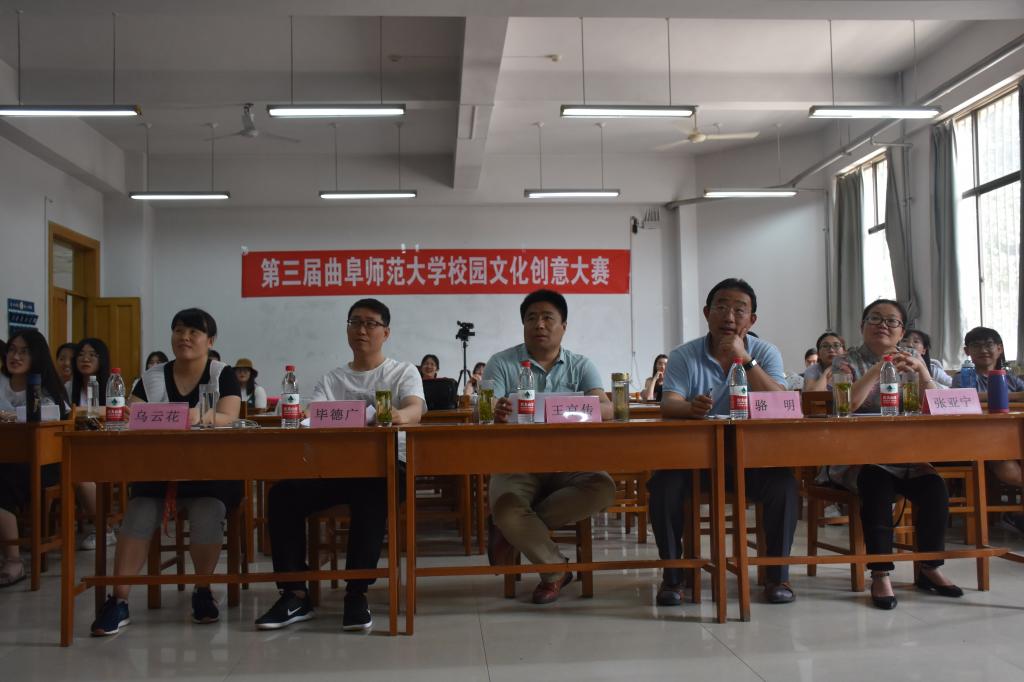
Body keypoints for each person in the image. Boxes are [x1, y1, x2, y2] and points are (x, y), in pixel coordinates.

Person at [255, 299, 424, 632]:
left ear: (386, 332)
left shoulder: (402, 372)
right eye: (355, 322)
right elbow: (314, 417)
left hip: (389, 464)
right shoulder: (332, 379)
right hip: (337, 467)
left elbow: (414, 410)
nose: (362, 330)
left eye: (371, 323)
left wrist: (396, 416)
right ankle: (294, 594)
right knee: (283, 495)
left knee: (372, 492)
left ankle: (356, 592)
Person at [90, 308, 241, 636]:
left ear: (210, 340)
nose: (184, 337)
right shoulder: (153, 376)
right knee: (138, 513)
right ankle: (119, 601)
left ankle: (203, 591)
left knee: (207, 513)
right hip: (158, 471)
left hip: (209, 474)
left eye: (194, 332)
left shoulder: (222, 373)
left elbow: (229, 416)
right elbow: (132, 415)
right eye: (178, 330)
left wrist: (194, 416)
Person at [648, 278, 799, 607]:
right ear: (707, 313)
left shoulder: (765, 352)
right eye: (721, 307)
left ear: (751, 320)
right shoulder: (684, 355)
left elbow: (780, 403)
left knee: (785, 486)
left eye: (739, 310)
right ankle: (673, 576)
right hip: (696, 461)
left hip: (752, 460)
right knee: (662, 486)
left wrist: (746, 359)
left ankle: (777, 576)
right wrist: (690, 408)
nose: (729, 316)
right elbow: (668, 404)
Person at [483, 289, 615, 605]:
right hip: (516, 463)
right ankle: (556, 570)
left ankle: (511, 530)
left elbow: (608, 409)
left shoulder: (581, 365)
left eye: (547, 318)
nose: (539, 324)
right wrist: (495, 411)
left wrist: (574, 407)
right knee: (506, 506)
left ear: (563, 326)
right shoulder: (501, 363)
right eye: (531, 318)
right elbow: (485, 410)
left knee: (603, 487)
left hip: (571, 461)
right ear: (523, 325)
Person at [835, 299, 960, 609]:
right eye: (875, 319)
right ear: (862, 326)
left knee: (935, 489)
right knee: (876, 487)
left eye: (892, 321)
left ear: (902, 331)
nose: (883, 325)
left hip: (906, 455)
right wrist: (879, 369)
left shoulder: (912, 359)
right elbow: (845, 405)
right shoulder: (845, 362)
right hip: (859, 457)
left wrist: (922, 371)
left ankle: (929, 567)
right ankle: (880, 573)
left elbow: (938, 406)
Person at [0, 329, 70, 587]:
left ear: (36, 355)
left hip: (41, 463)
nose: (15, 356)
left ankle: (13, 560)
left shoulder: (44, 387)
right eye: (12, 350)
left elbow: (55, 422)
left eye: (23, 352)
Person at [952, 326, 1024, 533]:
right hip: (982, 441)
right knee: (1010, 471)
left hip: (1014, 438)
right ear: (967, 351)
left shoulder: (1011, 378)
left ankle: (1017, 515)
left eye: (989, 345)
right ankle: (1016, 516)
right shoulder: (963, 377)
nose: (983, 350)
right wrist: (1008, 397)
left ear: (999, 349)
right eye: (976, 345)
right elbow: (961, 397)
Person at [67, 337, 117, 550]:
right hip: (74, 447)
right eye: (80, 355)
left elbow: (116, 415)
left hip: (105, 447)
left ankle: (104, 530)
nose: (85, 359)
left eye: (92, 355)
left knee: (80, 475)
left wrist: (78, 413)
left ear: (102, 359)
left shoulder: (112, 386)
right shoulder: (67, 387)